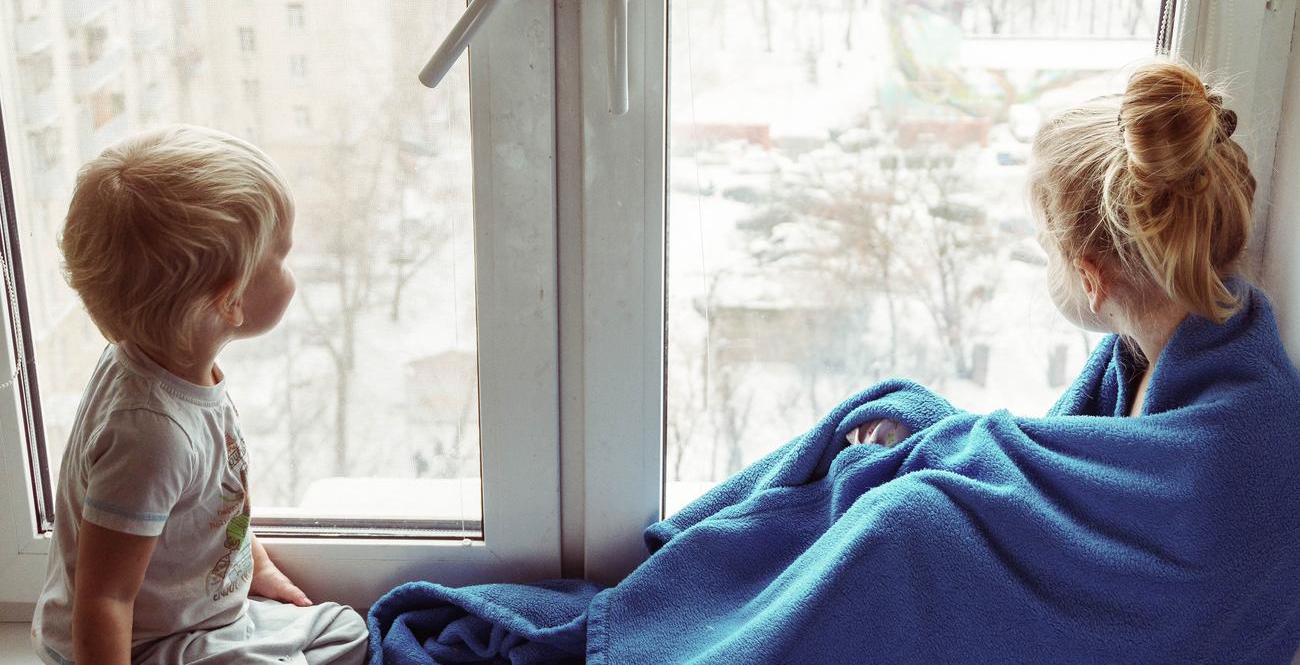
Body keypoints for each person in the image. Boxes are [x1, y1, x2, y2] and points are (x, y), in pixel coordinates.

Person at [365, 60, 1300, 662]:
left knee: (905, 527)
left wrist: (932, 477)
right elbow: (1064, 486)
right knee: (892, 429)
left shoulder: (1245, 443)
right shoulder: (1163, 356)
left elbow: (1131, 561)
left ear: (1090, 276)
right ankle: (705, 587)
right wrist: (930, 439)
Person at [30, 125, 368, 664]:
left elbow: (217, 502)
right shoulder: (151, 434)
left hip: (196, 619)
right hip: (146, 645)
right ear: (229, 302)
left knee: (345, 629)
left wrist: (259, 568)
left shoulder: (166, 364)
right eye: (281, 256)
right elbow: (104, 599)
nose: (291, 267)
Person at [848, 59, 1255, 450]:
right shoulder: (1149, 360)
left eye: (1047, 249)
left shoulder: (1219, 444)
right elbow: (1050, 458)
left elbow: (1051, 474)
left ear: (1092, 280)